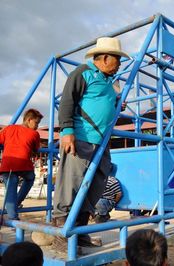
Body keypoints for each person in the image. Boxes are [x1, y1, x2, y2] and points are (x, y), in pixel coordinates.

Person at [52, 37, 130, 250]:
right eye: (118, 60)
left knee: (97, 183)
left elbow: (102, 104)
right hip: (81, 138)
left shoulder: (107, 81)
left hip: (101, 142)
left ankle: (80, 233)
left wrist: (116, 104)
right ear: (105, 58)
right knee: (72, 185)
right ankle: (62, 237)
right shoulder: (82, 73)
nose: (120, 64)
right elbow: (67, 101)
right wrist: (67, 131)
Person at [0, 108, 43, 220]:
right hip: (23, 164)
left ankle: (13, 217)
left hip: (7, 165)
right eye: (36, 123)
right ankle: (17, 203)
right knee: (30, 178)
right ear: (29, 120)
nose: (37, 126)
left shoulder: (9, 128)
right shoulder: (34, 134)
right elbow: (36, 149)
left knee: (11, 189)